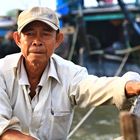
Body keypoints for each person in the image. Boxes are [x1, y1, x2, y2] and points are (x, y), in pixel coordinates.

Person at [0, 6, 140, 140]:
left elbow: (95, 86)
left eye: (46, 34)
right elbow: (3, 130)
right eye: (30, 34)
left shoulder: (69, 73)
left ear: (58, 40)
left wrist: (132, 86)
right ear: (18, 39)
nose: (37, 41)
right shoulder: (2, 72)